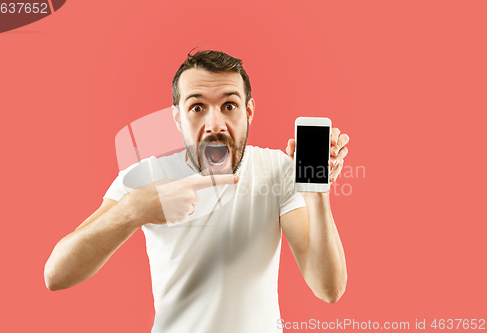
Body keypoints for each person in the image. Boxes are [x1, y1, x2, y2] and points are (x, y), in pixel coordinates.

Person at [44, 50, 350, 333]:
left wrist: (316, 193)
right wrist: (135, 209)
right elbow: (57, 275)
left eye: (229, 106)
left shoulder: (277, 169)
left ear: (249, 112)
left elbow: (328, 289)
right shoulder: (147, 175)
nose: (214, 123)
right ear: (178, 118)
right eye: (197, 107)